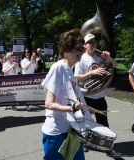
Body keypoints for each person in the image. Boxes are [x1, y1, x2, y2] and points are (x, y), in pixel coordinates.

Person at [41, 29, 86, 160]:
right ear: (67, 49)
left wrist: (81, 109)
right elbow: (49, 103)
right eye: (79, 48)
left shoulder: (69, 69)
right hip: (56, 133)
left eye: (83, 48)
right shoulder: (58, 67)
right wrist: (72, 109)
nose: (82, 52)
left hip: (71, 130)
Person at [74, 33, 121, 158]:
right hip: (87, 96)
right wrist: (92, 72)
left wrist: (109, 58)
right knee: (85, 122)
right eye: (90, 42)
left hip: (99, 95)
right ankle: (82, 142)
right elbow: (76, 78)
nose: (93, 44)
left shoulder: (100, 58)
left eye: (95, 42)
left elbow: (114, 65)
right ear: (85, 45)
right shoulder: (81, 59)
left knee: (104, 122)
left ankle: (108, 148)